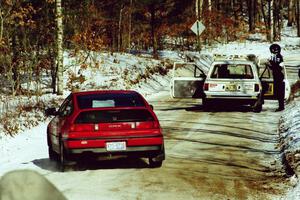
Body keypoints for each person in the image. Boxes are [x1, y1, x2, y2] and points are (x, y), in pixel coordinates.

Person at [268, 43, 285, 111]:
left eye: (275, 50)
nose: (274, 51)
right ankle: (280, 106)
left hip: (279, 77)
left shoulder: (279, 57)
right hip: (276, 76)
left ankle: (281, 106)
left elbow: (279, 67)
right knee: (278, 92)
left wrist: (272, 64)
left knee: (280, 92)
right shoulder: (273, 57)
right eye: (273, 50)